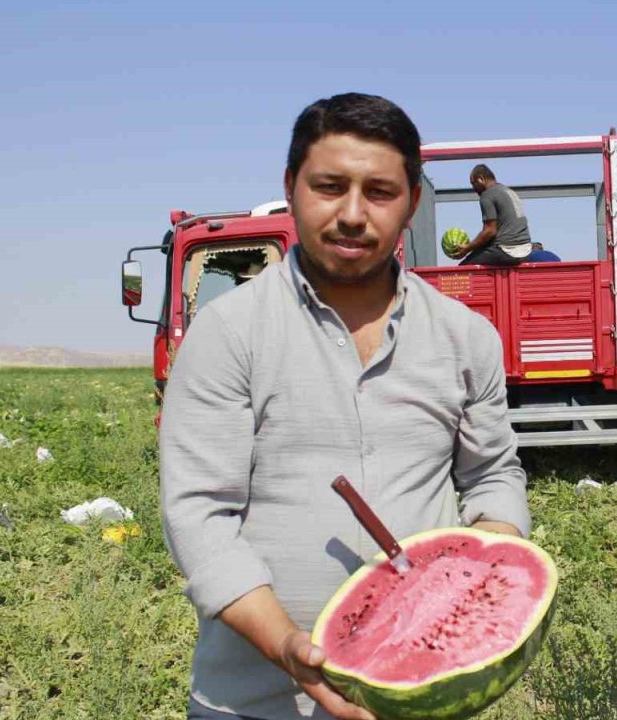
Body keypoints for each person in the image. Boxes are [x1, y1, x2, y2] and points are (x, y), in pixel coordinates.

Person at [159, 93, 530, 720]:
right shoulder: (228, 332)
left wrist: (487, 566)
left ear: (413, 203)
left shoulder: (465, 337)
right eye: (329, 187)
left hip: (420, 690)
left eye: (380, 193)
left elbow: (492, 473)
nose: (353, 214)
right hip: (253, 701)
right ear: (291, 187)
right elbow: (200, 513)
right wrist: (284, 644)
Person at [448, 164, 533, 266]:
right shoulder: (508, 191)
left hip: (506, 250)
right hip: (526, 250)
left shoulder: (487, 195)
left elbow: (490, 231)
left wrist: (467, 248)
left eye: (473, 183)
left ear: (481, 179)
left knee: (464, 269)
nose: (473, 188)